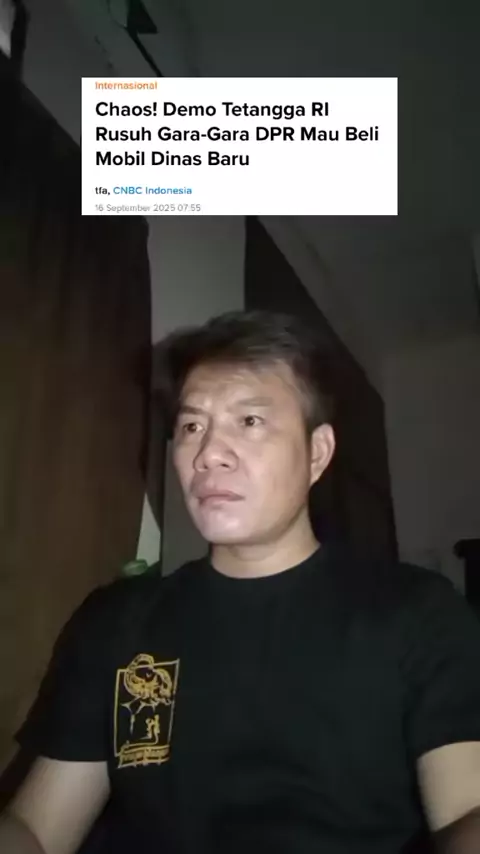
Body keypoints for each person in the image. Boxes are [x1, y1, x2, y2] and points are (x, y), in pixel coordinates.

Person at [1, 309, 480, 854]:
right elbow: (38, 829)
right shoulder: (117, 620)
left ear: (317, 453)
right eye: (191, 427)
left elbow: (468, 810)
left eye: (249, 421)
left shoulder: (417, 611)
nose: (208, 454)